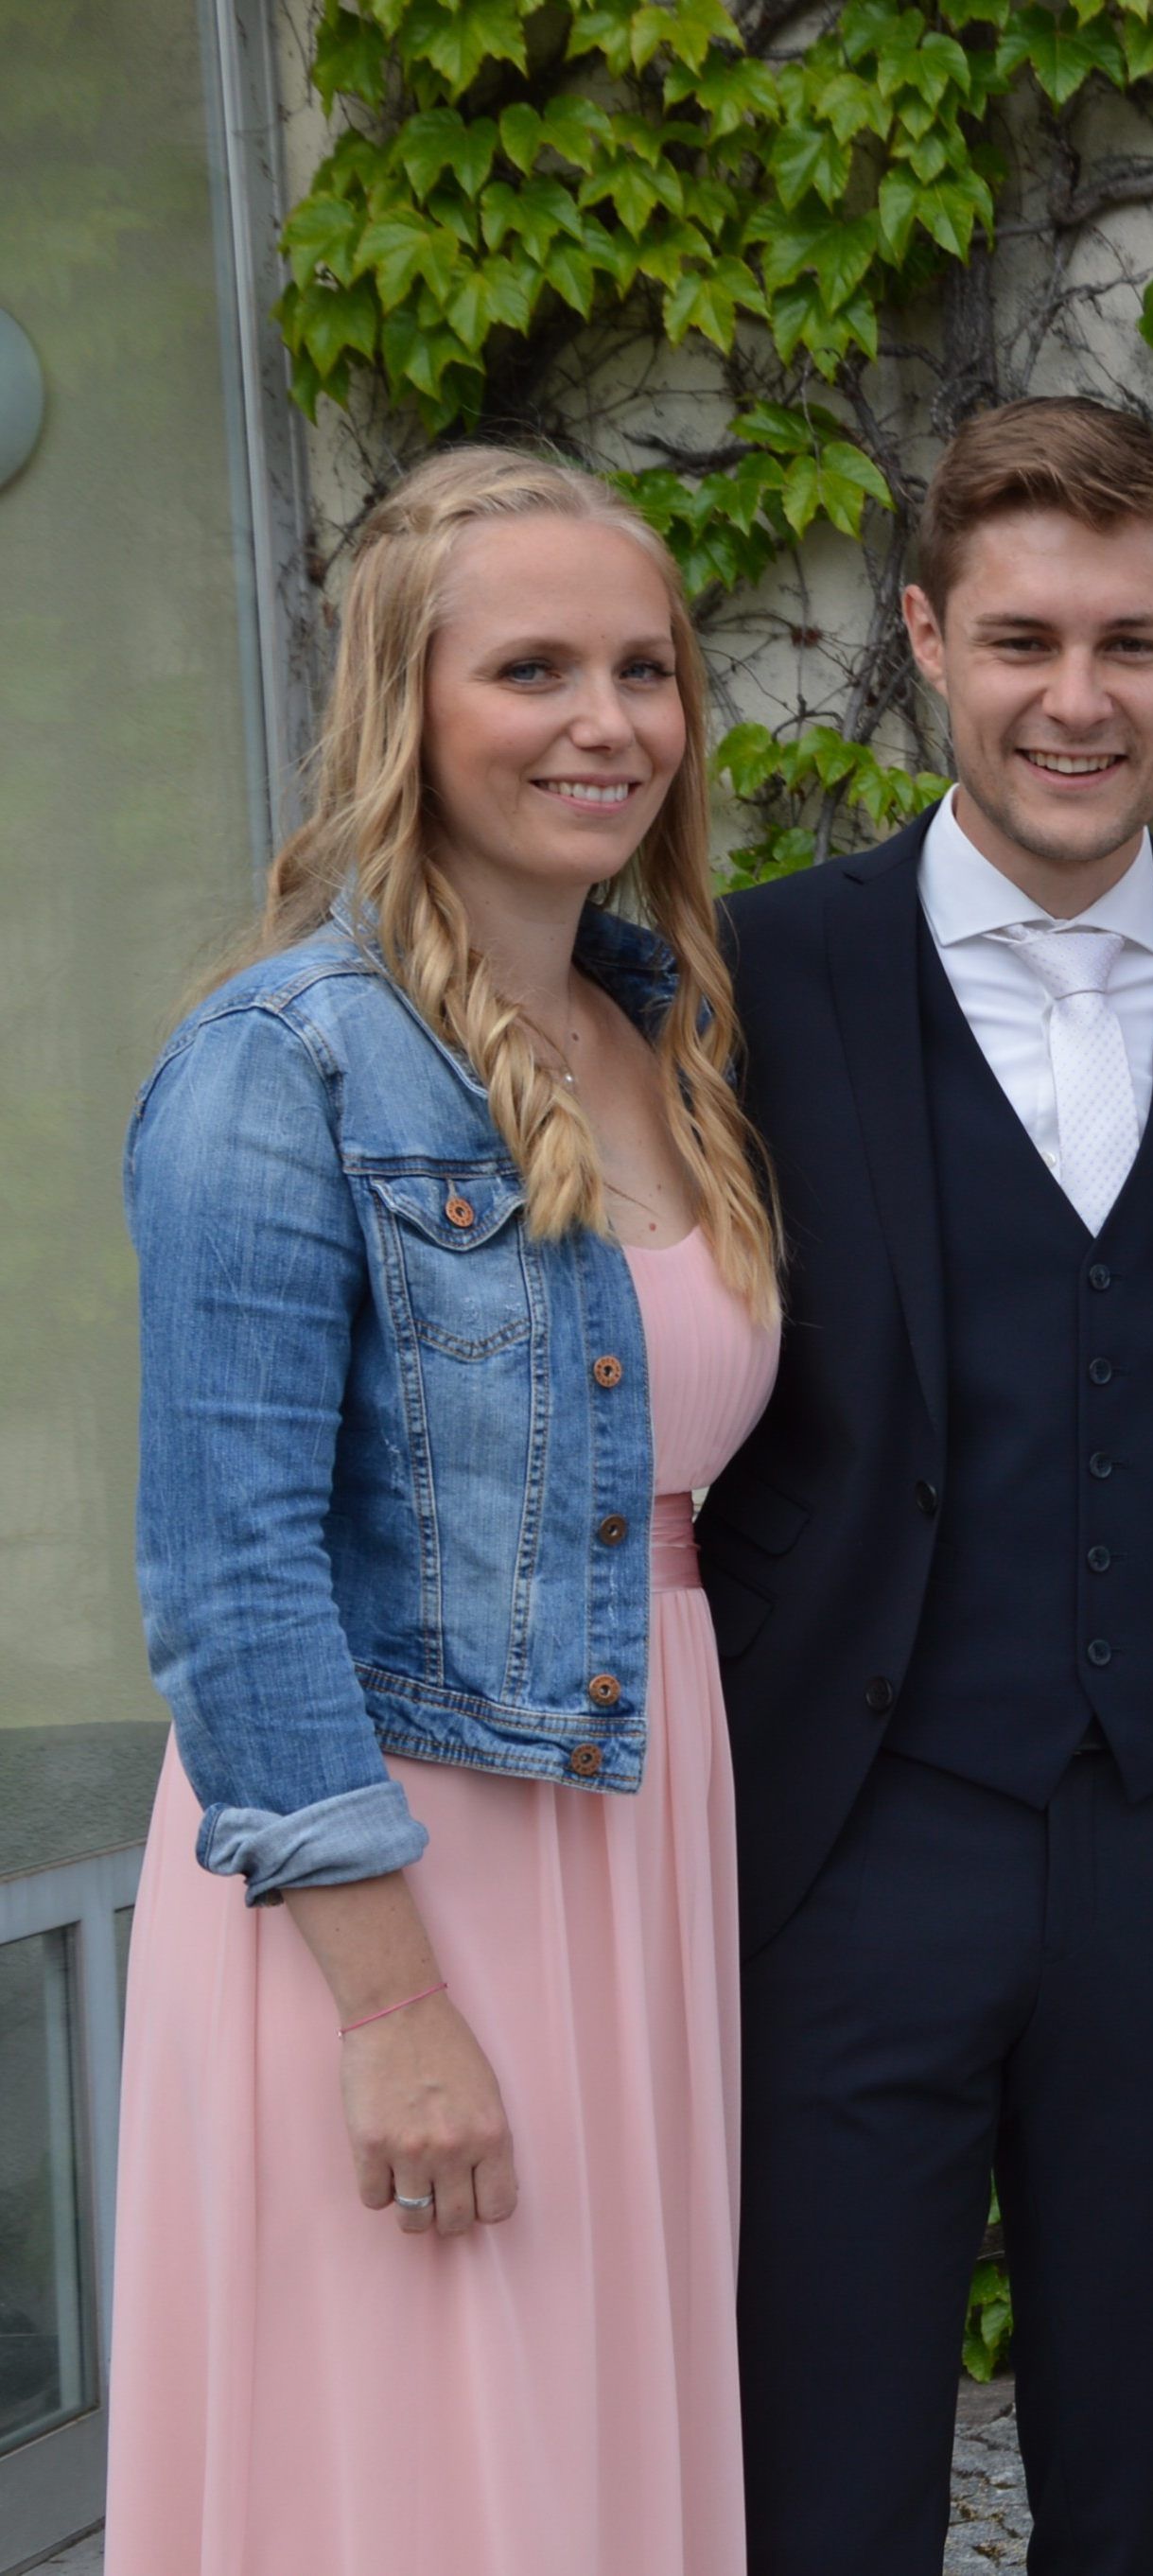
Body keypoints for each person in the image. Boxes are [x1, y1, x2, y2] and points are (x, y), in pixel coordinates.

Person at [109, 448, 782, 2574]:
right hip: (402, 1867)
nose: (607, 722)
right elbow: (228, 1570)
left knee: (586, 2455)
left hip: (633, 1825)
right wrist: (391, 2008)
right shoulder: (282, 1061)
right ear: (410, 703)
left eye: (643, 669)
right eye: (534, 670)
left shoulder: (656, 1031)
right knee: (425, 2475)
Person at [707, 397, 1153, 2576]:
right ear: (924, 639)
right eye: (1020, 642)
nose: (1075, 701)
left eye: (1132, 643)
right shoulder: (741, 981)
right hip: (847, 1839)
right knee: (824, 2459)